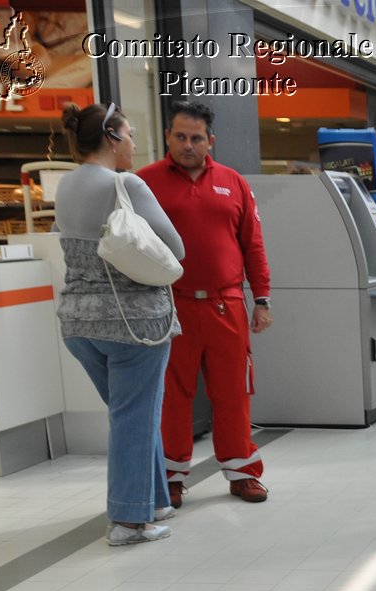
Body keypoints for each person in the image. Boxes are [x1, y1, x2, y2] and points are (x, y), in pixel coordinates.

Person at [54, 102, 184, 546]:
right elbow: (176, 247)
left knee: (132, 413)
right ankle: (129, 522)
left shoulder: (64, 184)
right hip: (133, 323)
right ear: (111, 138)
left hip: (79, 323)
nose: (133, 143)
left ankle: (153, 500)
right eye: (128, 134)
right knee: (134, 415)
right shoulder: (125, 183)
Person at [138, 100, 273, 506]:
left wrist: (261, 298)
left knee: (233, 392)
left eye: (196, 138)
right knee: (173, 396)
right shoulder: (144, 183)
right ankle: (172, 476)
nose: (188, 145)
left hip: (225, 304)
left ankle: (242, 472)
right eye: (180, 136)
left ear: (210, 141)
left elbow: (253, 244)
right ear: (167, 137)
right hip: (169, 305)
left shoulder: (233, 183)